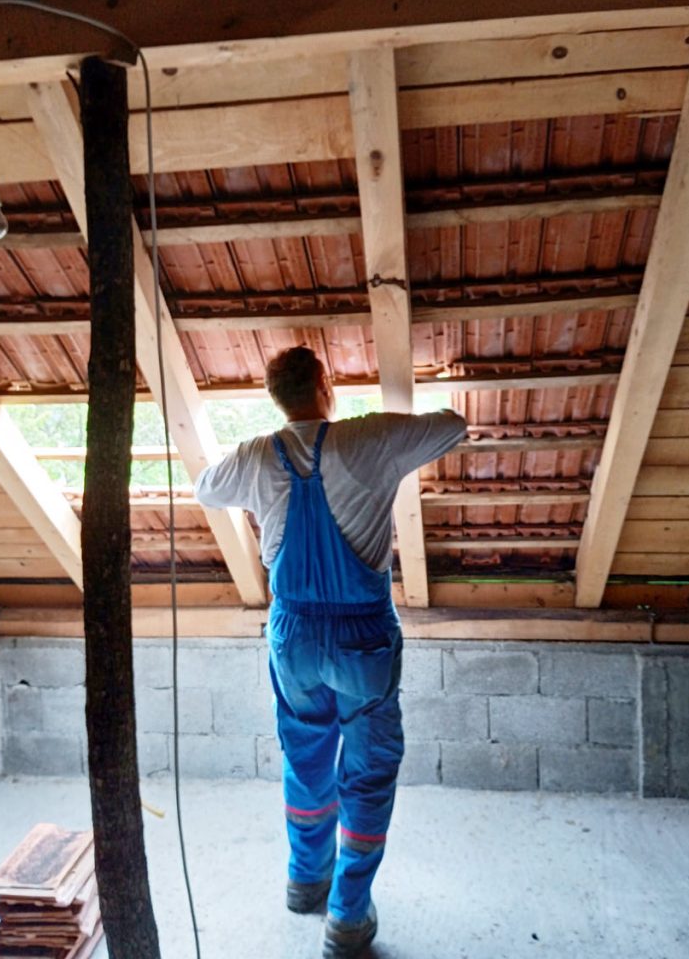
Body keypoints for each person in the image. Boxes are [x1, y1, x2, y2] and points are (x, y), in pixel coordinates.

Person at [194, 346, 467, 958]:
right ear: (325, 384)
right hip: (362, 636)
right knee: (367, 773)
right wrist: (391, 434)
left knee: (306, 757)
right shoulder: (369, 439)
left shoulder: (257, 455)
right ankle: (346, 915)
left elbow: (206, 488)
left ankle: (304, 880)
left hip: (292, 635)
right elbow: (453, 426)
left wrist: (258, 477)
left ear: (275, 396)